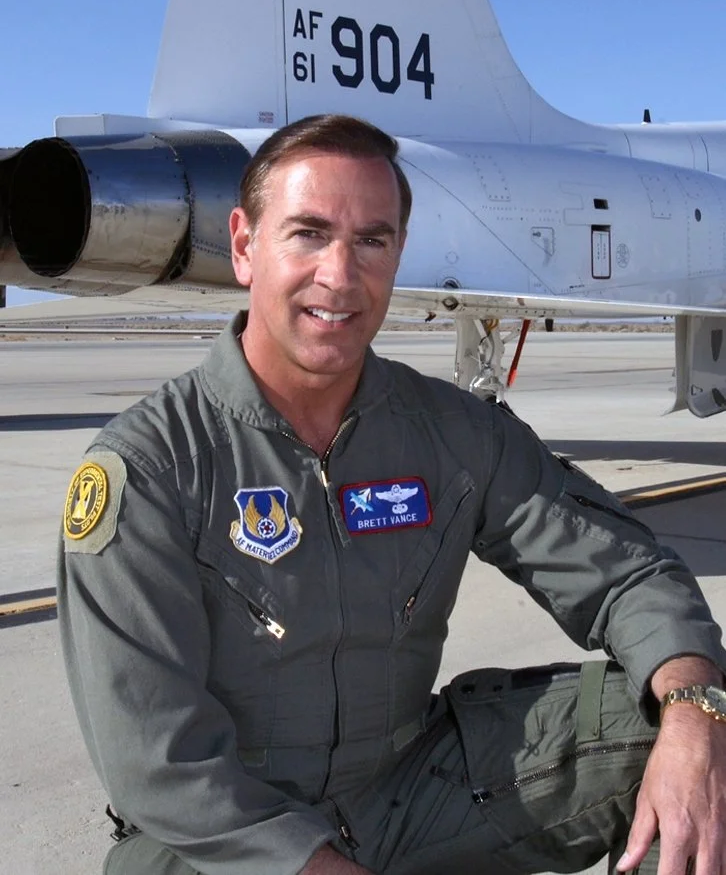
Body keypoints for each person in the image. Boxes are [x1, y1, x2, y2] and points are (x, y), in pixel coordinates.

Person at [58, 114, 726, 875]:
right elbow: (162, 769)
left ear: (398, 254)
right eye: (308, 234)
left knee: (700, 740)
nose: (340, 276)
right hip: (229, 837)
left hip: (412, 794)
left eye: (371, 240)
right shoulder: (148, 468)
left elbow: (627, 574)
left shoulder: (451, 435)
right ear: (245, 246)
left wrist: (695, 713)